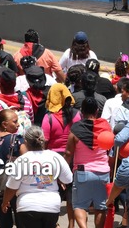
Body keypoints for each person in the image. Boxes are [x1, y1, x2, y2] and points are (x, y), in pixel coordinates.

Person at [2, 125, 73, 228]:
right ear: (43, 140)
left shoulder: (22, 160)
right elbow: (68, 179)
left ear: (26, 142)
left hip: (27, 206)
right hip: (51, 206)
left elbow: (11, 186)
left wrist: (5, 202)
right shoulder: (55, 157)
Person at [65, 97, 111, 228]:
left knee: (79, 205)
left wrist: (63, 172)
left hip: (82, 173)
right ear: (97, 111)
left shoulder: (76, 129)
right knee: (101, 207)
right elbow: (110, 149)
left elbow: (68, 153)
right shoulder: (106, 127)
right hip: (103, 172)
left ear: (81, 111)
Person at [41, 83, 80, 228]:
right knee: (71, 195)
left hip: (53, 161)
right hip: (73, 158)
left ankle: (54, 223)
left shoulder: (48, 118)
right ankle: (71, 225)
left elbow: (44, 142)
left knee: (52, 193)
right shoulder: (77, 115)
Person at [0, 67, 34, 132]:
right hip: (21, 140)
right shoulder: (25, 101)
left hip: (1, 141)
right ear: (15, 84)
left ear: (0, 85)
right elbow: (31, 122)